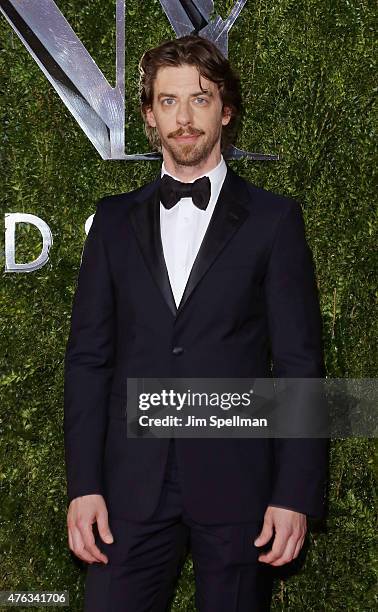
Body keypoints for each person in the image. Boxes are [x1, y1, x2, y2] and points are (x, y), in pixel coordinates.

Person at [64, 34, 328, 611]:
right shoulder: (112, 222)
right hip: (129, 488)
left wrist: (294, 492)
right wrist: (83, 485)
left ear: (226, 110)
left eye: (200, 99)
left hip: (240, 487)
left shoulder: (274, 221)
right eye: (168, 101)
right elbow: (88, 360)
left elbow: (300, 363)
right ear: (149, 117)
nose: (184, 118)